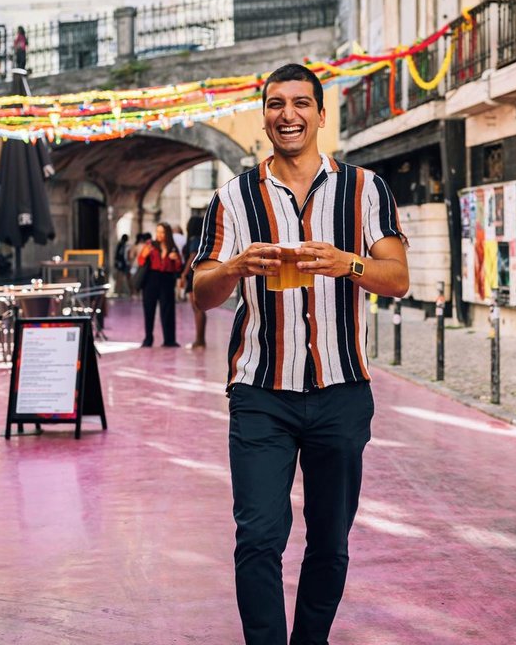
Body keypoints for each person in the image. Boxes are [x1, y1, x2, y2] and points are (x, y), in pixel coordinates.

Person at [192, 63, 409, 645]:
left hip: (342, 393)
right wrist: (236, 266)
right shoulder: (232, 198)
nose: (287, 113)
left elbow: (398, 279)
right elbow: (201, 292)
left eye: (300, 103)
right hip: (261, 393)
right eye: (275, 103)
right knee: (259, 536)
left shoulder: (366, 190)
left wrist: (348, 263)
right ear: (263, 113)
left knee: (330, 540)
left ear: (319, 113)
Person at [138, 223, 182, 347]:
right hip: (151, 279)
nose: (159, 235)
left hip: (167, 280)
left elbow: (178, 268)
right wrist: (144, 254)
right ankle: (148, 339)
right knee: (149, 309)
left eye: (162, 232)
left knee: (168, 310)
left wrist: (176, 259)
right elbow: (140, 261)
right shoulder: (150, 245)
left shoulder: (173, 248)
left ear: (167, 233)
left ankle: (169, 340)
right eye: (157, 232)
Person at [178, 215, 206, 349]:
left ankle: (199, 340)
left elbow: (192, 255)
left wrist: (184, 273)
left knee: (197, 308)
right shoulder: (202, 239)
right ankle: (200, 339)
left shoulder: (194, 239)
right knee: (199, 308)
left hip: (193, 275)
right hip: (198, 274)